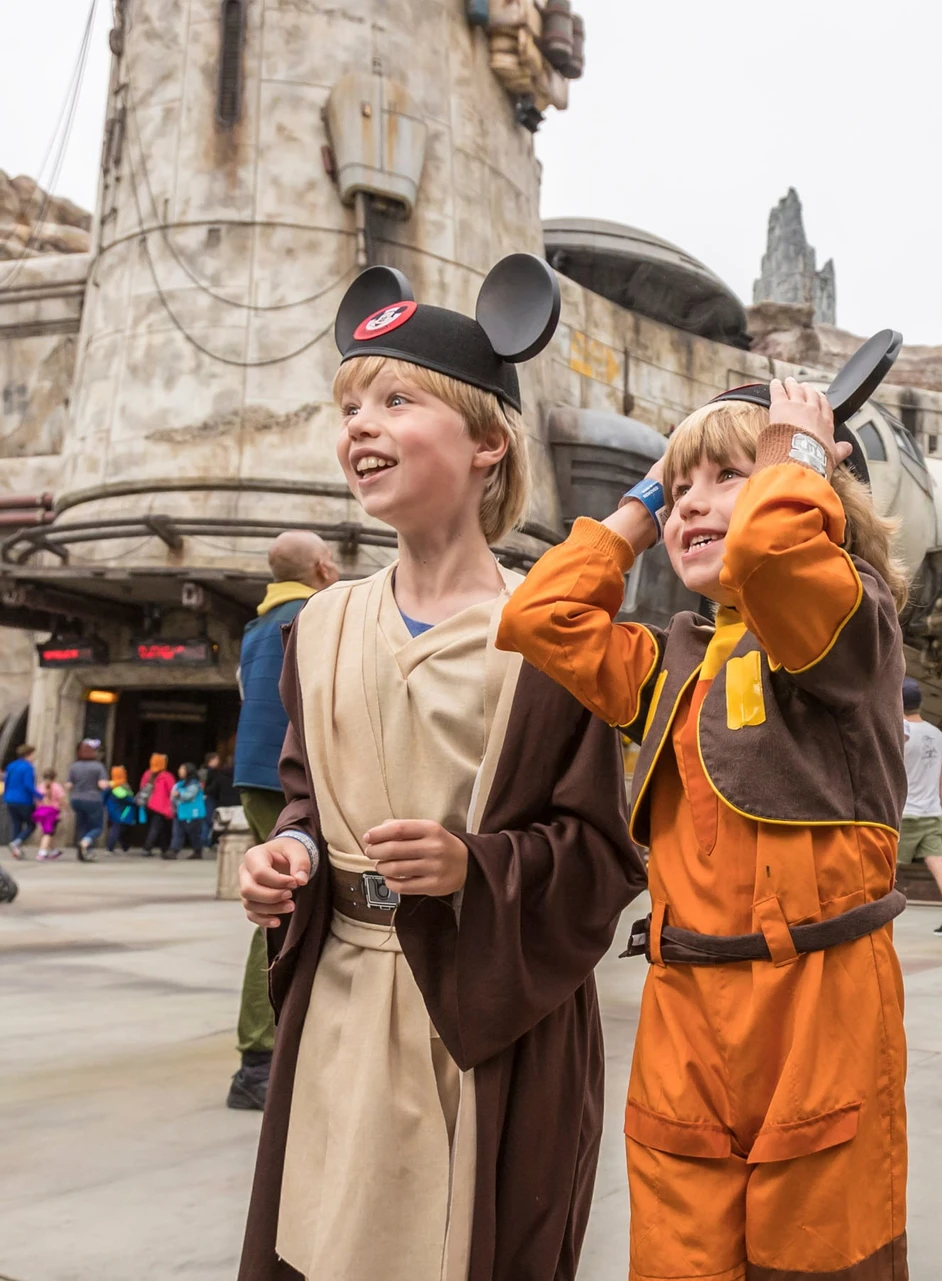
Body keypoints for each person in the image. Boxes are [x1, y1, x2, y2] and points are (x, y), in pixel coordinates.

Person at [235, 256, 644, 1281]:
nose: (359, 425)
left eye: (397, 398)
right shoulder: (318, 627)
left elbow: (601, 852)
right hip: (340, 1003)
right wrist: (285, 853)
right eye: (350, 406)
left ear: (488, 445)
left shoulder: (546, 636)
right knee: (324, 1238)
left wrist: (479, 869)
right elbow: (301, 792)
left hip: (479, 1009)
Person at [497, 374, 913, 1280]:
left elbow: (774, 559)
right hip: (683, 1011)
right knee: (678, 1262)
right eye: (681, 486)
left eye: (727, 475)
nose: (695, 502)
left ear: (809, 494)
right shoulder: (663, 661)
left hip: (820, 1004)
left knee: (822, 1259)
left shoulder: (851, 624)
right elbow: (542, 617)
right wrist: (643, 504)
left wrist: (793, 453)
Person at [226, 528, 339, 1111]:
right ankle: (258, 1057)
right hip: (287, 776)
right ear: (322, 567)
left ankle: (272, 1045)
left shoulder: (257, 627)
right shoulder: (318, 615)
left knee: (277, 898)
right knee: (280, 903)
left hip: (255, 771)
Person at [901, 676, 942, 935]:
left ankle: (875, 920)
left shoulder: (900, 731)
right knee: (937, 861)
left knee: (883, 866)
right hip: (932, 813)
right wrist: (937, 806)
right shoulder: (939, 736)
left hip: (904, 813)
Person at [68, 739, 109, 861]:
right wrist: (109, 784)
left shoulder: (74, 766)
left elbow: (69, 785)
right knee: (97, 827)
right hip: (92, 799)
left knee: (82, 826)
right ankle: (85, 843)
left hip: (76, 799)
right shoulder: (98, 767)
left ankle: (85, 853)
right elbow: (102, 785)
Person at [167, 763, 209, 859]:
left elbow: (189, 795)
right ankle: (174, 850)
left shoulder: (194, 783)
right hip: (180, 812)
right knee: (177, 832)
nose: (180, 771)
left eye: (182, 769)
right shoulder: (180, 783)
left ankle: (197, 851)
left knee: (194, 834)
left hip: (193, 813)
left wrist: (179, 793)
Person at [5, 745, 38, 858]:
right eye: (33, 754)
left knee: (16, 824)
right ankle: (16, 842)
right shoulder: (28, 767)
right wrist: (39, 795)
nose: (34, 757)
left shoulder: (11, 766)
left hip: (10, 799)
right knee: (31, 825)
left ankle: (16, 850)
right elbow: (28, 785)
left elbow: (7, 782)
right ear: (28, 755)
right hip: (24, 800)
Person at [138, 753, 173, 854]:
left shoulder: (147, 774)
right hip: (161, 806)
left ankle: (164, 848)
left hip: (147, 804)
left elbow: (142, 787)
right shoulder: (166, 776)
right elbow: (172, 790)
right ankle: (147, 848)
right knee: (157, 827)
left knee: (156, 827)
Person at [104, 767, 139, 852]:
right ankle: (110, 847)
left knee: (120, 828)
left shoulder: (110, 785)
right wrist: (136, 801)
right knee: (118, 828)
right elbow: (128, 799)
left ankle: (124, 846)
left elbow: (104, 797)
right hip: (121, 811)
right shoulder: (121, 786)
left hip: (113, 809)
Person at [32, 780, 65, 860]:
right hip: (52, 811)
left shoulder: (40, 786)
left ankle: (54, 851)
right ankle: (42, 852)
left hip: (41, 811)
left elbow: (36, 799)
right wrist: (61, 811)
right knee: (48, 833)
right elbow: (61, 800)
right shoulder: (57, 786)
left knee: (47, 832)